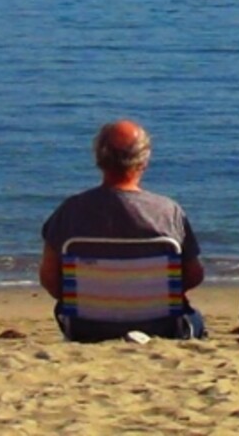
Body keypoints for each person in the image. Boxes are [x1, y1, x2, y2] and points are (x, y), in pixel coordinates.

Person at [39, 119, 205, 341]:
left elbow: (49, 277)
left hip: (86, 327)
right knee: (196, 321)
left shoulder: (71, 210)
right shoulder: (168, 212)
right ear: (144, 161)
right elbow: (194, 274)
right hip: (161, 325)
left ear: (99, 159)